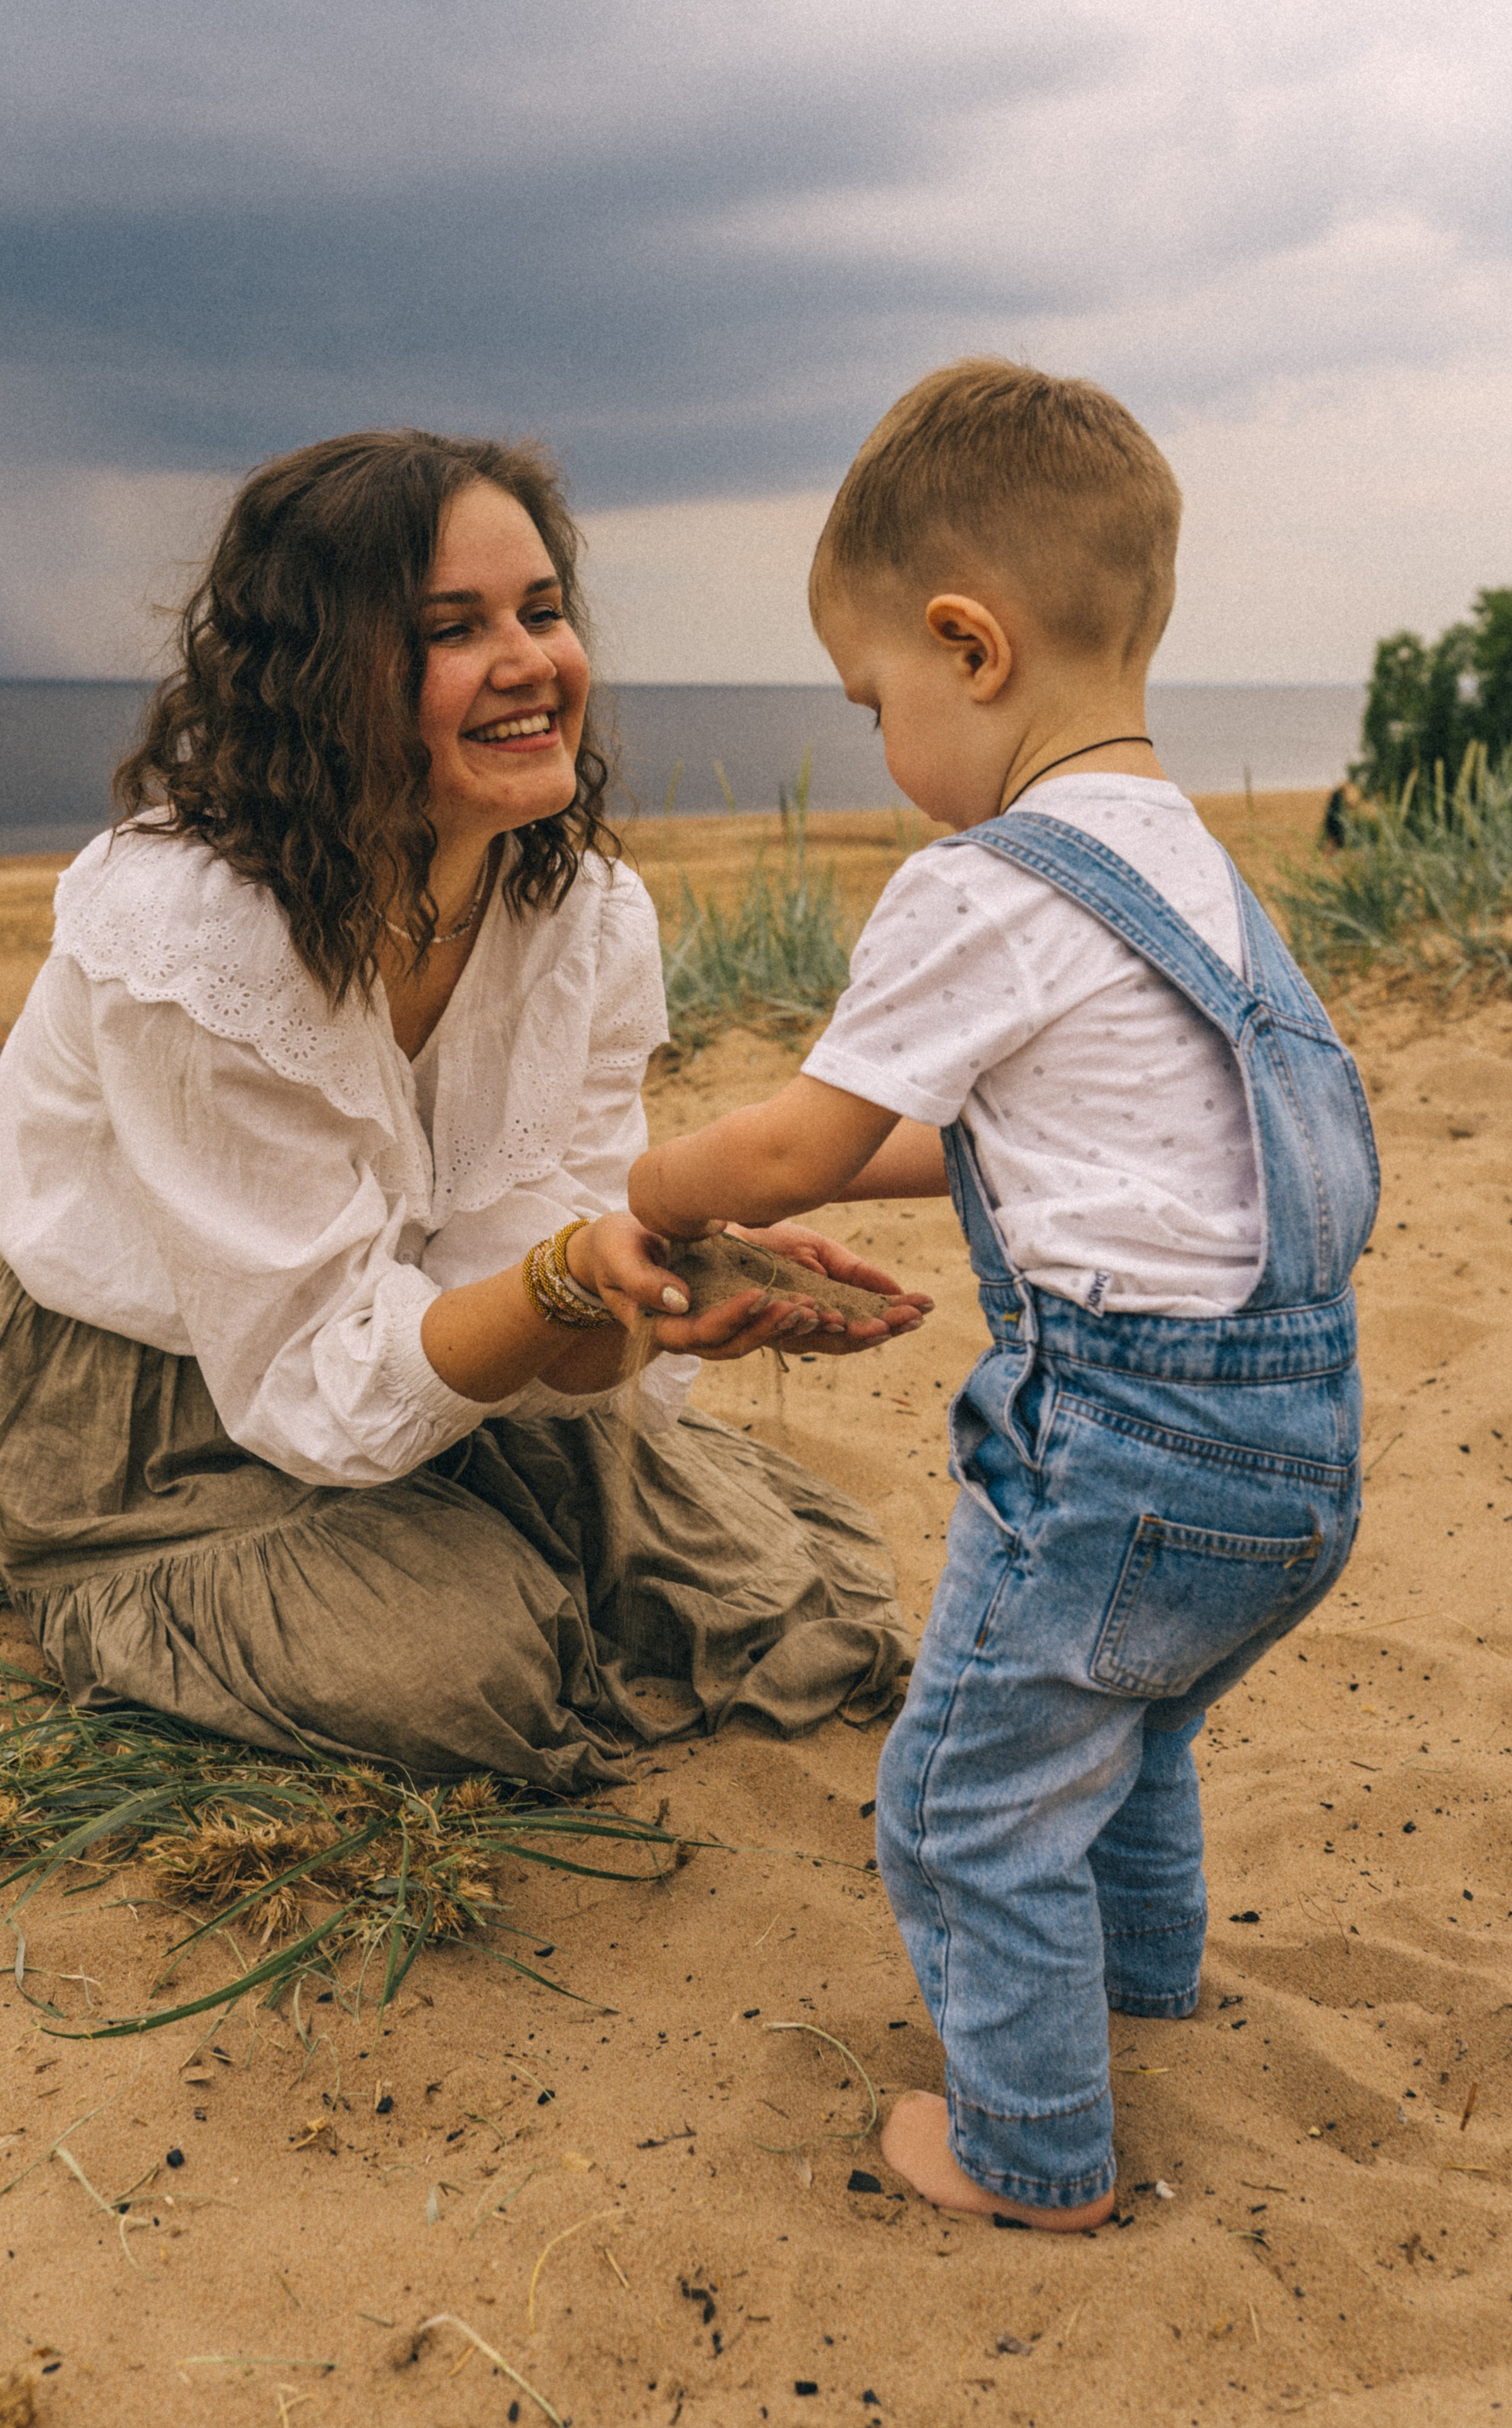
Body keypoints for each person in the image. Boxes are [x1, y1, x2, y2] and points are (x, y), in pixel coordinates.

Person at [628, 360, 1379, 2228]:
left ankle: (1031, 2151)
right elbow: (1008, 1133)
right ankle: (1145, 1986)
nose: (880, 740)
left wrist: (654, 1182)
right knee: (1133, 1731)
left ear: (969, 649)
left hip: (1122, 1452)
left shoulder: (983, 886)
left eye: (871, 698)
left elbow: (803, 1145)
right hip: (1297, 1451)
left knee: (968, 1796)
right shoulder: (1198, 876)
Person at [0, 430, 927, 1791]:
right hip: (151, 1396)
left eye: (540, 612)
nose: (529, 661)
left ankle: (465, 1533)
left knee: (791, 1600)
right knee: (470, 1674)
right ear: (318, 677)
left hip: (402, 1332)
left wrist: (648, 1292)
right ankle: (105, 1578)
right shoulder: (194, 937)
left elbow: (541, 1284)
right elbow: (309, 1377)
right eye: (450, 630)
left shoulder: (580, 918)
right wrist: (565, 1279)